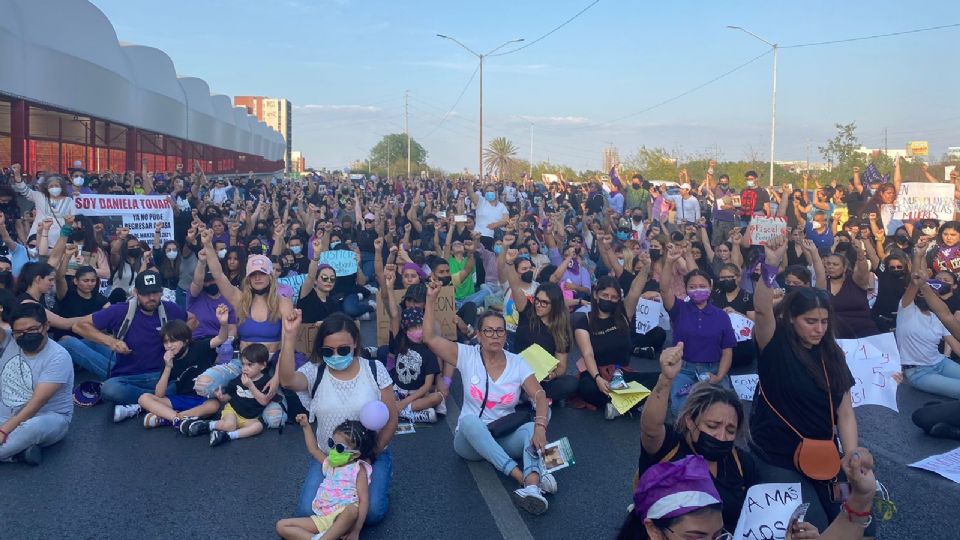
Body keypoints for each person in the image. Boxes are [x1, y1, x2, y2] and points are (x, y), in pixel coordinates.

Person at [751, 235, 867, 535]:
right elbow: (763, 311)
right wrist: (771, 264)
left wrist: (851, 455)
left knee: (860, 524)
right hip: (779, 456)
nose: (819, 329)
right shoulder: (775, 348)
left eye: (824, 321)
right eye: (810, 321)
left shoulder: (832, 354)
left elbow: (845, 412)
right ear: (790, 319)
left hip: (825, 456)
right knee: (812, 527)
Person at [421, 281, 554, 515]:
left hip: (503, 434)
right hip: (469, 442)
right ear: (480, 335)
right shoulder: (466, 355)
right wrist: (430, 300)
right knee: (471, 422)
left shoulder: (517, 362)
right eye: (489, 331)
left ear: (505, 335)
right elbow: (430, 338)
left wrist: (541, 427)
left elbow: (540, 394)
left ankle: (533, 488)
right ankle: (521, 477)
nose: (495, 335)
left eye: (500, 331)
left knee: (531, 428)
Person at [278, 311, 397, 523]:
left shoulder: (374, 369)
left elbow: (391, 419)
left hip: (370, 456)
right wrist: (288, 336)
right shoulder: (315, 371)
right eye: (328, 351)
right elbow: (287, 381)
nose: (335, 356)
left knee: (371, 513)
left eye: (343, 349)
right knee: (308, 511)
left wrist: (372, 454)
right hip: (330, 457)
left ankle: (378, 481)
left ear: (355, 344)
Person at [640, 343, 757, 532]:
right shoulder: (669, 447)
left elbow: (757, 517)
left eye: (730, 430)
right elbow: (650, 429)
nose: (721, 436)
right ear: (689, 421)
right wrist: (665, 381)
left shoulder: (742, 464)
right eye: (712, 426)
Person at [66, 271, 194, 412]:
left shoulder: (169, 308)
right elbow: (79, 326)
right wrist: (110, 341)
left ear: (162, 292)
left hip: (161, 374)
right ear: (135, 292)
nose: (151, 298)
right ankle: (157, 401)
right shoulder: (121, 310)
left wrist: (179, 340)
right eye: (145, 294)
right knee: (110, 389)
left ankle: (146, 401)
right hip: (128, 376)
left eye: (155, 293)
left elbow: (193, 320)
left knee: (179, 385)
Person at [660, 245, 736, 414]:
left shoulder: (721, 316)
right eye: (692, 287)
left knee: (722, 411)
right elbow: (665, 289)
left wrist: (718, 377)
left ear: (710, 286)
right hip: (684, 370)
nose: (698, 290)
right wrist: (669, 262)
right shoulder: (679, 309)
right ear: (686, 289)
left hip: (713, 370)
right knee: (682, 411)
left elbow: (727, 352)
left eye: (702, 286)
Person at [276, 417, 375, 540]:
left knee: (352, 510)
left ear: (354, 454)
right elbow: (314, 450)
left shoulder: (358, 469)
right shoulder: (329, 464)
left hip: (344, 517)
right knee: (281, 526)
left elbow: (364, 500)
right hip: (323, 517)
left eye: (339, 448)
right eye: (331, 444)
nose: (333, 450)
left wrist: (356, 530)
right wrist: (306, 426)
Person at [0, 303, 73, 466]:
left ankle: (12, 448)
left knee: (33, 427)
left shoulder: (58, 357)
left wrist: (3, 430)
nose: (25, 335)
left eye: (32, 329)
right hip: (5, 414)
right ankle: (17, 454)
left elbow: (37, 403)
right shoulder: (9, 340)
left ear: (46, 326)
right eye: (19, 332)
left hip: (46, 418)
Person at [501, 248, 578, 402]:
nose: (538, 305)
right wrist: (509, 263)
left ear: (555, 305)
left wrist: (552, 375)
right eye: (537, 300)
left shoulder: (561, 330)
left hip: (542, 378)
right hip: (518, 373)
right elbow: (515, 286)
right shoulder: (527, 311)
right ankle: (533, 397)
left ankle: (531, 396)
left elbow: (561, 367)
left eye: (544, 302)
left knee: (571, 383)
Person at [574, 273, 652, 419]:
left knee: (660, 379)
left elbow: (635, 290)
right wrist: (598, 378)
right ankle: (632, 403)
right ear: (596, 295)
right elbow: (587, 353)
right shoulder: (584, 321)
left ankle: (618, 406)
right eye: (605, 295)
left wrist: (646, 266)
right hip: (596, 375)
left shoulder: (623, 315)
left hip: (621, 374)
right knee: (586, 388)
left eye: (614, 297)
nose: (609, 300)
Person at [136, 317, 225, 430]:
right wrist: (168, 367)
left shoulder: (198, 347)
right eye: (165, 342)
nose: (169, 345)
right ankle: (179, 419)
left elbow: (221, 338)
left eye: (173, 341)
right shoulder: (168, 360)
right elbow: (159, 394)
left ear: (185, 340)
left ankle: (170, 418)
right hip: (182, 398)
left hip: (203, 398)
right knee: (144, 398)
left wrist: (223, 323)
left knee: (213, 406)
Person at [897, 247, 960, 399]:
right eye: (922, 292)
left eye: (931, 292)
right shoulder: (906, 309)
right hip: (918, 372)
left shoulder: (939, 317)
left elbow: (956, 345)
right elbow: (916, 280)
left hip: (941, 363)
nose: (924, 295)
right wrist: (918, 256)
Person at [183, 343, 276, 447]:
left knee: (258, 427)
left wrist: (251, 386)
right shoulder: (239, 378)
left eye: (250, 365)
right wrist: (222, 397)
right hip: (233, 411)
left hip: (250, 417)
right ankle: (206, 425)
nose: (245, 368)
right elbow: (230, 395)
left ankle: (228, 436)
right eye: (243, 364)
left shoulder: (267, 381)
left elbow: (264, 401)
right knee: (229, 425)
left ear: (263, 365)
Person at [382, 269, 441, 423]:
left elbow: (427, 385)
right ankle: (409, 412)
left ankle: (399, 411)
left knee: (437, 397)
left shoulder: (431, 334)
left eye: (417, 302)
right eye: (410, 301)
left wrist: (442, 382)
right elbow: (394, 315)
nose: (412, 305)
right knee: (379, 392)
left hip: (418, 388)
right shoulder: (401, 335)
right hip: (398, 386)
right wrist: (389, 286)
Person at [822, 244, 878, 339]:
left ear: (844, 268)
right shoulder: (822, 284)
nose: (830, 267)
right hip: (835, 334)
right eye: (828, 264)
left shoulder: (855, 280)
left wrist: (860, 254)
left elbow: (863, 271)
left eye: (835, 264)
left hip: (864, 331)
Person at [10, 171, 76, 248]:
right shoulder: (39, 196)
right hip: (38, 238)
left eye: (56, 185)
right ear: (46, 188)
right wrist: (18, 176)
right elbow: (24, 190)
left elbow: (74, 218)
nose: (54, 188)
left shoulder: (69, 200)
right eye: (51, 186)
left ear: (61, 187)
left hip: (60, 239)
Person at [711, 263, 757, 368]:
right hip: (720, 344)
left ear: (738, 278)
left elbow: (754, 322)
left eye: (729, 277)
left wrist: (736, 314)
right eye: (722, 278)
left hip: (742, 346)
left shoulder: (748, 297)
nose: (726, 280)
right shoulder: (716, 296)